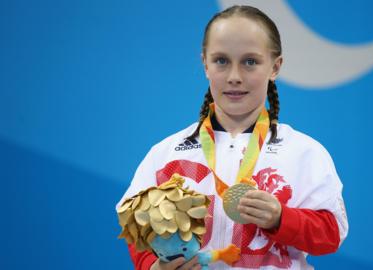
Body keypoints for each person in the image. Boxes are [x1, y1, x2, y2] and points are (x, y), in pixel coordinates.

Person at [117, 5, 348, 270]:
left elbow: (331, 235)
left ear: (275, 67)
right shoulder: (166, 153)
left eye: (250, 61)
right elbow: (138, 230)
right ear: (205, 64)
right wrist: (152, 266)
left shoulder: (304, 152)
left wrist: (281, 218)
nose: (235, 77)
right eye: (221, 61)